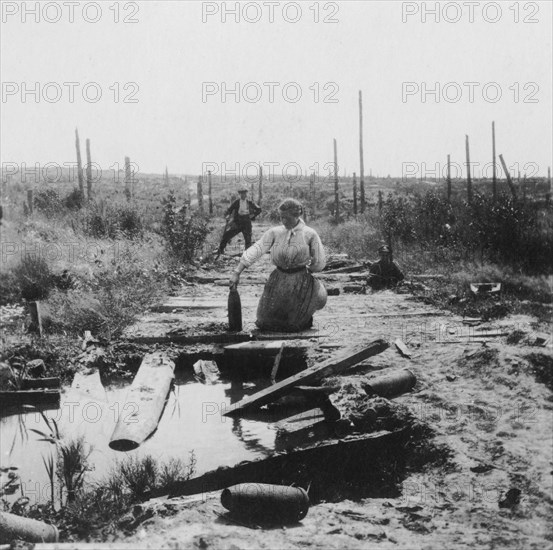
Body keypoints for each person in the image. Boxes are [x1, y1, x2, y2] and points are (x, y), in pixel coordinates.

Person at [229, 198, 327, 332]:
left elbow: (319, 261)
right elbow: (256, 250)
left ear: (297, 215)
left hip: (300, 281)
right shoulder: (274, 233)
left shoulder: (309, 234)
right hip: (278, 279)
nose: (283, 221)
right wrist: (237, 272)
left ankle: (305, 316)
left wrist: (310, 270)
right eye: (281, 217)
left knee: (293, 325)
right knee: (265, 323)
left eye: (286, 218)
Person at [217, 186, 262, 256]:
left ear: (246, 194)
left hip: (247, 222)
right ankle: (220, 250)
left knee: (248, 239)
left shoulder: (250, 202)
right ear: (239, 194)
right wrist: (227, 215)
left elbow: (259, 209)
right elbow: (229, 209)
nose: (243, 195)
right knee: (227, 235)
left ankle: (248, 253)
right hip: (238, 222)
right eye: (241, 194)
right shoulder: (237, 202)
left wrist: (253, 215)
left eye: (244, 194)